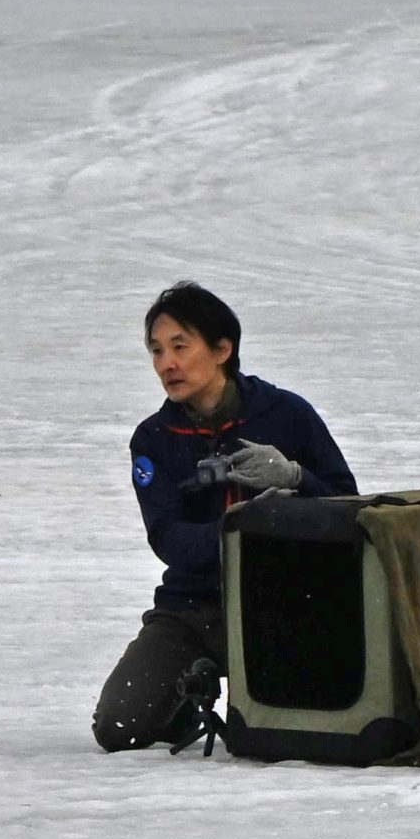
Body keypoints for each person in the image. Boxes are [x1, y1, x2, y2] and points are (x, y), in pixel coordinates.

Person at [92, 281, 359, 752]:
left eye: (180, 346)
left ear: (222, 349)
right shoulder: (155, 439)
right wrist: (242, 527)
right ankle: (184, 698)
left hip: (286, 603)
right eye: (156, 351)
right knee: (119, 728)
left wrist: (297, 478)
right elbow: (167, 537)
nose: (166, 364)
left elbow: (348, 504)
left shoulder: (286, 414)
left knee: (295, 733)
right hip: (192, 609)